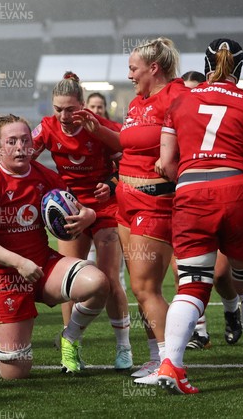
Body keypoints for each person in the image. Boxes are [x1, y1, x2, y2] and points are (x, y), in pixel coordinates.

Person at [156, 38, 243, 394]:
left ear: (206, 61)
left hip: (190, 195)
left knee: (191, 286)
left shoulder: (179, 101)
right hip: (237, 195)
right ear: (240, 67)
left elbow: (167, 164)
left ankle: (172, 365)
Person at [0, 104, 109, 378]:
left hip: (42, 266)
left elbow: (75, 207)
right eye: (12, 142)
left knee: (98, 283)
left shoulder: (45, 176)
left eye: (25, 140)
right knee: (15, 372)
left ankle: (70, 337)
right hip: (5, 277)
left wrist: (87, 215)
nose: (20, 147)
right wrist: (18, 263)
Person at [74, 37, 187, 384]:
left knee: (145, 287)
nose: (129, 75)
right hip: (125, 202)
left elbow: (195, 139)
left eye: (133, 68)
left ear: (154, 68)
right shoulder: (138, 102)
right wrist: (100, 129)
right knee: (141, 288)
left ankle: (172, 364)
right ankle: (156, 359)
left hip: (155, 202)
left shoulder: (178, 97)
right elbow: (128, 142)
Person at [32, 73, 132, 370]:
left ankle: (123, 347)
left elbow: (130, 162)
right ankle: (71, 347)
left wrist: (112, 183)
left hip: (105, 208)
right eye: (58, 109)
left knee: (111, 278)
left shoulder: (98, 127)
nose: (64, 116)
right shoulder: (48, 128)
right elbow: (24, 158)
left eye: (70, 109)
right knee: (69, 281)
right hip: (70, 209)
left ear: (82, 105)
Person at [174, 70, 243, 350]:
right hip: (179, 201)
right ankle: (198, 331)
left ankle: (231, 309)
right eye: (184, 91)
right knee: (185, 273)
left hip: (215, 199)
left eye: (194, 90)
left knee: (219, 274)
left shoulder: (216, 124)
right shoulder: (173, 117)